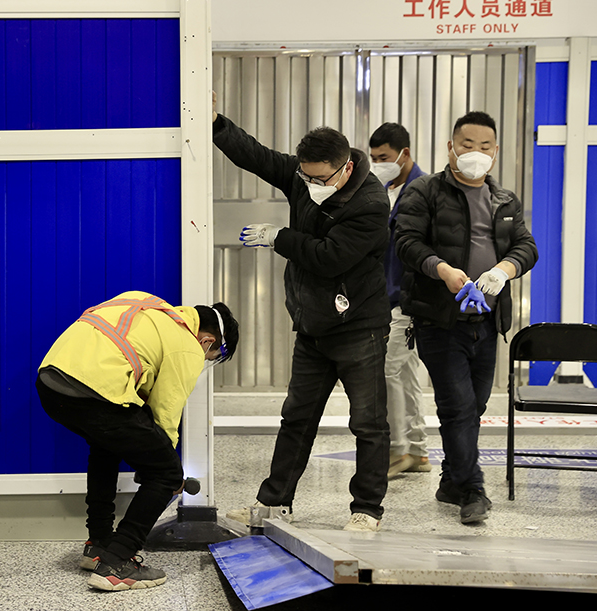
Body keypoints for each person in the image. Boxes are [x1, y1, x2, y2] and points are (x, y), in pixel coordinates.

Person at [212, 94, 391, 532]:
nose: (310, 184)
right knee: (296, 418)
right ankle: (274, 503)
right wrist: (216, 122)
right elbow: (257, 157)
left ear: (345, 167)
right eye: (304, 175)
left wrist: (280, 237)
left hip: (359, 328)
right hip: (312, 326)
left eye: (319, 178)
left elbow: (330, 257)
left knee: (367, 423)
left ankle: (367, 509)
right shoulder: (304, 176)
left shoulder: (370, 203)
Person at [37, 290, 239, 592]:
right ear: (208, 340)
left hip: (51, 384)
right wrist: (164, 470)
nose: (204, 360)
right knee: (167, 473)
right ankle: (118, 562)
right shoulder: (187, 345)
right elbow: (164, 415)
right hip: (96, 391)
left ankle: (98, 545)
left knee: (106, 447)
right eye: (211, 356)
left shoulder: (146, 304)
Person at [395, 111, 537, 524]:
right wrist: (443, 270)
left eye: (485, 146)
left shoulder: (504, 200)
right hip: (439, 320)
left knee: (473, 407)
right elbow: (406, 242)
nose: (476, 152)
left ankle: (450, 481)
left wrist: (502, 271)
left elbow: (526, 246)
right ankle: (473, 490)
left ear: (496, 151)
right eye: (467, 145)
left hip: (487, 322)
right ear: (451, 148)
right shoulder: (425, 191)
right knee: (457, 407)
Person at [369, 123, 432, 478]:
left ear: (404, 154)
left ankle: (398, 450)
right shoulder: (386, 190)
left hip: (408, 298)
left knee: (388, 369)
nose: (379, 164)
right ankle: (418, 451)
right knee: (405, 373)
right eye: (374, 158)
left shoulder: (423, 190)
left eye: (384, 157)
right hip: (389, 297)